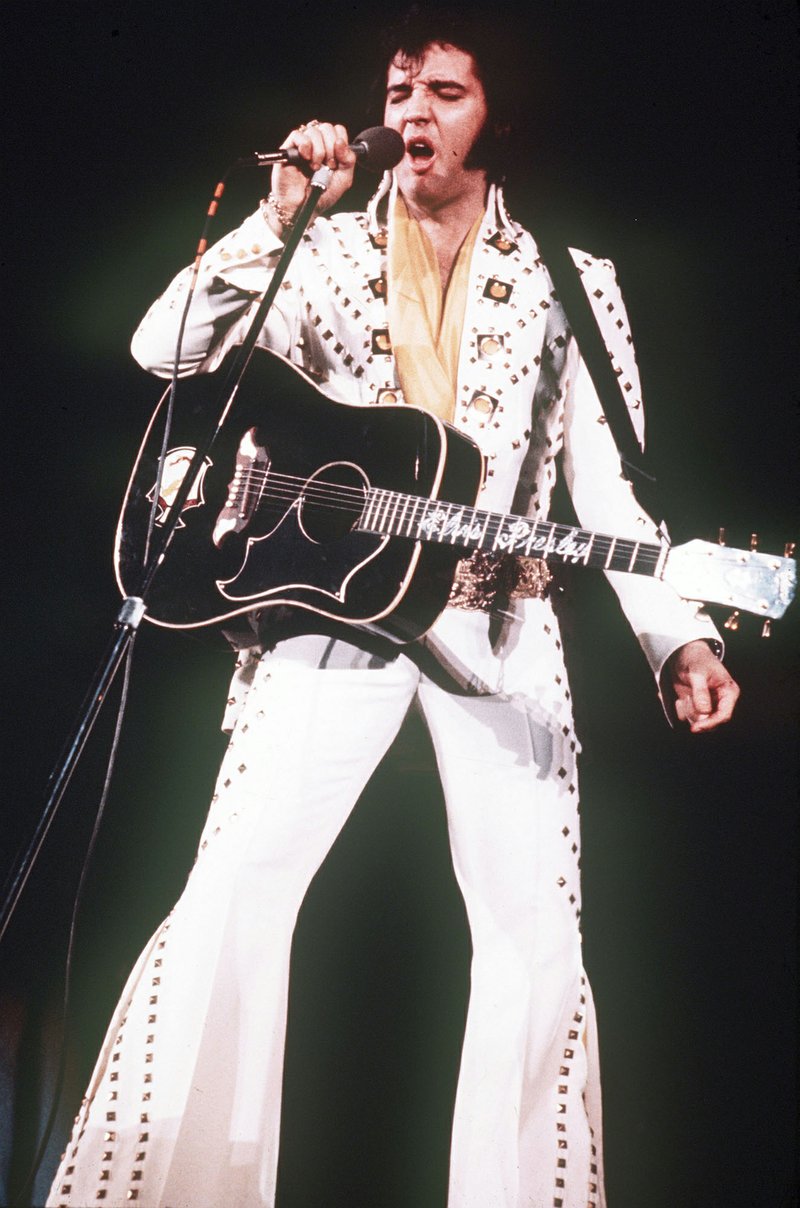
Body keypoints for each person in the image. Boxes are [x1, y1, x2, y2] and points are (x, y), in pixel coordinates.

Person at [47, 10, 739, 1207]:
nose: (413, 112)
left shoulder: (575, 284)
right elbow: (162, 347)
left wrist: (678, 630)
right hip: (330, 611)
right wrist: (275, 214)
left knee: (532, 945)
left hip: (501, 620)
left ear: (496, 117)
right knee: (231, 897)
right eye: (399, 87)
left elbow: (605, 489)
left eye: (446, 92)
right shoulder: (313, 245)